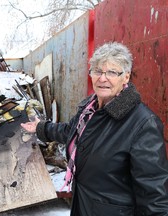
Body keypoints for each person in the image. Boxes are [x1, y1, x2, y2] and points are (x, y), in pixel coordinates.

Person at [21, 42, 168, 216]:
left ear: (126, 77)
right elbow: (71, 132)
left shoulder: (143, 123)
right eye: (97, 71)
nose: (102, 78)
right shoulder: (89, 109)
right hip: (83, 204)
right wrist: (41, 128)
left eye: (112, 72)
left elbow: (154, 195)